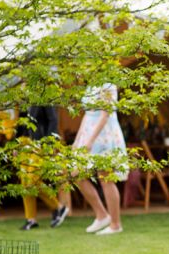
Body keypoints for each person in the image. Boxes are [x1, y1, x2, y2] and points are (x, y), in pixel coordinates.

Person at [73, 82, 128, 235]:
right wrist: (78, 140)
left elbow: (105, 115)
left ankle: (116, 224)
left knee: (105, 178)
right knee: (76, 174)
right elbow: (87, 114)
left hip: (105, 135)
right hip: (88, 134)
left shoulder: (109, 85)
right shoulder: (91, 85)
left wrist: (90, 140)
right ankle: (102, 215)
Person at [16, 106, 69, 230]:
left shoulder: (44, 94)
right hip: (25, 143)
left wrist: (48, 143)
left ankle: (58, 207)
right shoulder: (22, 96)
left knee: (31, 180)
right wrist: (16, 142)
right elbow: (21, 122)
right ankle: (31, 219)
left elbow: (53, 120)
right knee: (25, 182)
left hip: (40, 143)